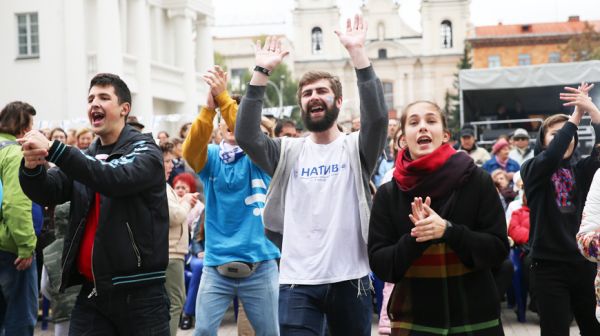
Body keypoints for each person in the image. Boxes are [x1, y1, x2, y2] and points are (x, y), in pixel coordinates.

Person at [236, 15, 388, 335]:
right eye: (306, 94)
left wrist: (358, 53)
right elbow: (247, 136)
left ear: (338, 101)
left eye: (321, 91)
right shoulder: (287, 151)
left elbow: (376, 119)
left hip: (351, 280)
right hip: (297, 284)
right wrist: (261, 73)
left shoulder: (355, 148)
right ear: (302, 106)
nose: (313, 97)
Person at [18, 73, 170, 335]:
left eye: (103, 97)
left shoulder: (146, 151)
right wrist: (32, 168)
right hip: (92, 292)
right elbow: (49, 190)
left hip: (141, 296)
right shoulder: (87, 156)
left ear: (125, 109)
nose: (94, 104)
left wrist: (57, 150)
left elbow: (112, 177)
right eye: (90, 99)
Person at [368, 100, 509, 335]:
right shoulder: (388, 194)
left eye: (431, 121)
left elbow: (497, 250)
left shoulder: (477, 181)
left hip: (476, 320)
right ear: (403, 138)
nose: (423, 127)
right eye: (414, 122)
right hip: (414, 324)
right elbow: (381, 265)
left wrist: (449, 231)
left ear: (445, 135)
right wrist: (416, 237)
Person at [182, 65, 280, 336]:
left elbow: (248, 134)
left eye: (234, 117)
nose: (229, 124)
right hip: (216, 266)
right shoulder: (212, 156)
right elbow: (190, 152)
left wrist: (225, 99)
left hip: (260, 264)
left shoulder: (263, 155)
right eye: (224, 119)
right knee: (202, 332)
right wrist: (208, 109)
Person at [521, 82, 600, 335]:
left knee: (593, 327)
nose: (565, 138)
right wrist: (575, 117)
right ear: (543, 142)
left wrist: (592, 112)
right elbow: (552, 155)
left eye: (568, 134)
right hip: (548, 267)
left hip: (584, 263)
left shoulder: (582, 170)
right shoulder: (532, 169)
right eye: (555, 134)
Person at [0, 101, 38, 335]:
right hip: (11, 249)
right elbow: (15, 203)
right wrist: (25, 246)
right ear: (23, 126)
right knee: (19, 318)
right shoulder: (14, 152)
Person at [162, 141, 198, 336]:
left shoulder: (163, 185)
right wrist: (185, 203)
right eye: (166, 161)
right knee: (176, 302)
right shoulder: (158, 184)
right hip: (171, 252)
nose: (170, 165)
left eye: (171, 161)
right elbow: (174, 216)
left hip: (172, 251)